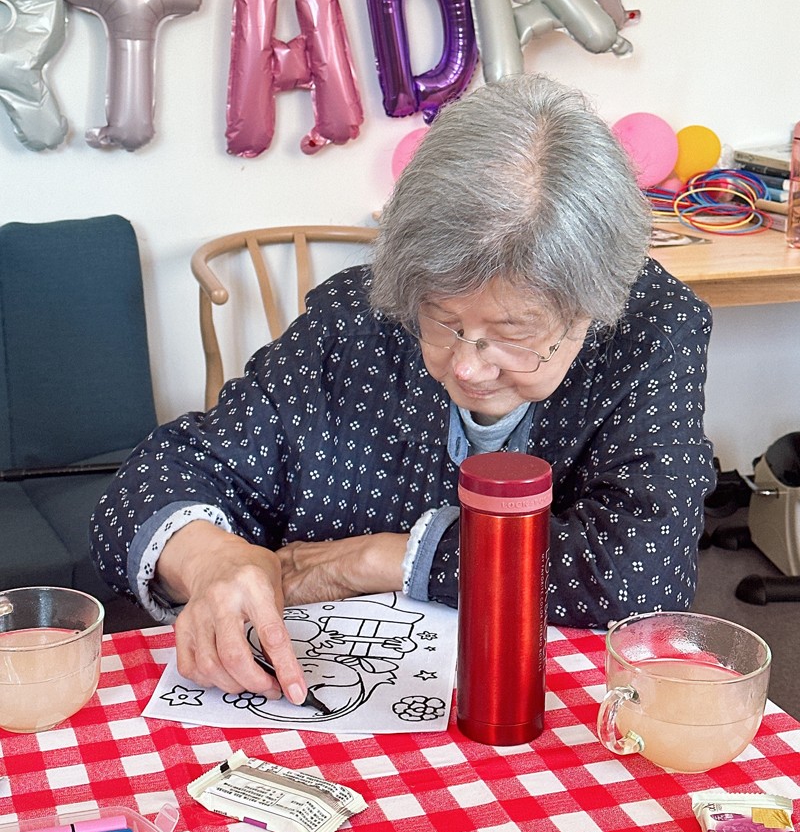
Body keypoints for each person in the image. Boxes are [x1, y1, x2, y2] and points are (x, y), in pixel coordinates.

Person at [91, 74, 715, 706]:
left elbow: (643, 576)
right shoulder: (357, 319)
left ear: (591, 309)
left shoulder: (651, 331)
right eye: (444, 320)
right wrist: (211, 561)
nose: (467, 367)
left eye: (512, 333)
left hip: (548, 712)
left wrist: (382, 560)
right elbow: (158, 480)